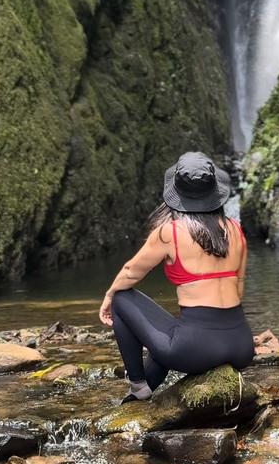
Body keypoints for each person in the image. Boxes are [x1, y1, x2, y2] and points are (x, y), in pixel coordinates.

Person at [99, 151, 255, 402]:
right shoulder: (236, 230)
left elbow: (130, 272)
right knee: (169, 334)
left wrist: (108, 296)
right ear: (215, 191)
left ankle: (138, 386)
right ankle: (145, 391)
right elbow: (238, 287)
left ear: (178, 194)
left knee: (122, 297)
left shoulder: (169, 232)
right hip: (241, 346)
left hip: (197, 349)